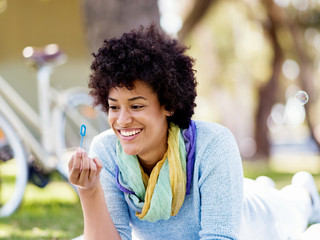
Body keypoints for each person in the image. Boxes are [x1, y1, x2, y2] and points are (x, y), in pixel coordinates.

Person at [68, 25, 320, 240]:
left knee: (293, 209)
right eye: (114, 107)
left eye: (136, 106)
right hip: (231, 194)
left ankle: (304, 193)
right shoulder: (106, 151)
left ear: (168, 104)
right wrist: (89, 191)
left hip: (261, 221)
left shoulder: (214, 144)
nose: (122, 120)